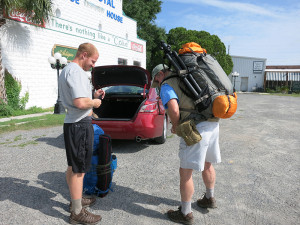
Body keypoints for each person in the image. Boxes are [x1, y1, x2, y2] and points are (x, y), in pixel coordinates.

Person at [151, 64, 221, 225]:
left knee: (186, 171)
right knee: (207, 163)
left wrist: (175, 126)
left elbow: (174, 110)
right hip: (212, 123)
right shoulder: (188, 77)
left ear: (161, 73)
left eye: (157, 79)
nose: (158, 83)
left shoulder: (167, 84)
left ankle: (185, 213)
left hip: (194, 128)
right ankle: (210, 198)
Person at [59, 43, 105, 225]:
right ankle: (77, 212)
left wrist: (93, 93)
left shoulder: (67, 69)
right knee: (79, 170)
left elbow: (76, 96)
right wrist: (94, 102)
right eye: (93, 61)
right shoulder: (76, 71)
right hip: (79, 125)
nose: (93, 65)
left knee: (73, 166)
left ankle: (75, 200)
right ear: (84, 55)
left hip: (72, 124)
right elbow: (79, 102)